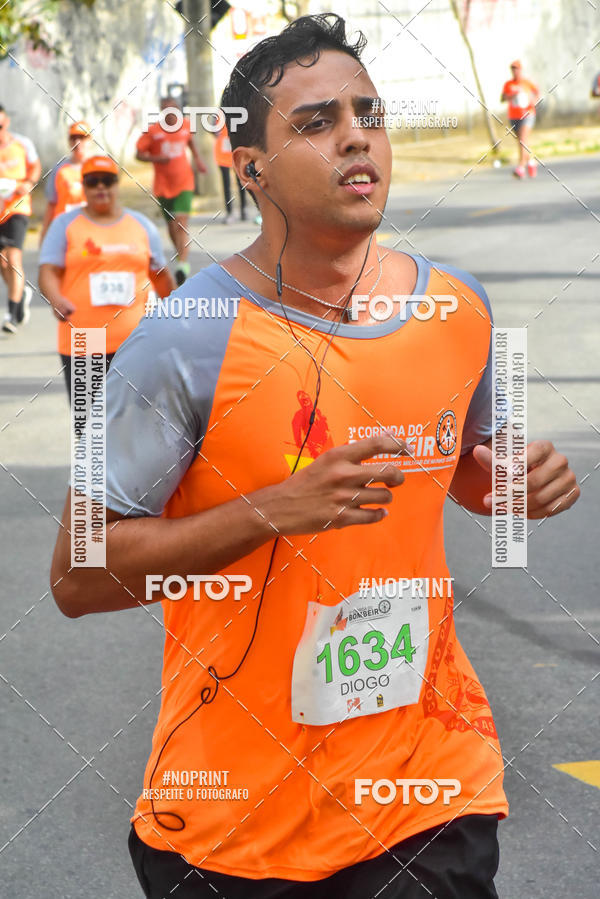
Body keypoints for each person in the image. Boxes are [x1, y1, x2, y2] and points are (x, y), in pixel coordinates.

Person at [50, 15, 580, 899]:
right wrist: (274, 510)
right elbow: (77, 575)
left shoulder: (467, 308)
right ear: (248, 166)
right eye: (315, 121)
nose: (356, 135)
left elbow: (474, 470)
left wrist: (516, 485)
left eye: (368, 112)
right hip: (235, 825)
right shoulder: (181, 337)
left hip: (431, 786)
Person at [39, 155, 173, 398]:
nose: (100, 187)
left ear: (116, 184)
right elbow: (47, 271)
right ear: (84, 186)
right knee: (91, 429)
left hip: (136, 341)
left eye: (107, 180)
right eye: (93, 181)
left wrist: (175, 317)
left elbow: (161, 277)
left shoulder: (142, 226)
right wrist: (56, 298)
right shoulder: (64, 225)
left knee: (137, 424)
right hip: (84, 341)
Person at [136, 97, 207, 286]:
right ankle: (180, 255)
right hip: (163, 184)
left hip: (184, 181)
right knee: (171, 226)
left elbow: (191, 142)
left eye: (173, 110)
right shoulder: (153, 131)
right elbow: (139, 154)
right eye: (165, 110)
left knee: (180, 222)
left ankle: (182, 265)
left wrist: (198, 160)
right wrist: (158, 158)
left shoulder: (185, 125)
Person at [0, 105, 41, 333]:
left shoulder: (22, 144)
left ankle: (11, 314)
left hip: (17, 208)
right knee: (3, 263)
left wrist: (28, 183)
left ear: (6, 122)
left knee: (13, 257)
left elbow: (35, 167)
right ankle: (22, 292)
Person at [39, 120, 93, 244]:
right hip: (64, 229)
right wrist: (44, 234)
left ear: (90, 140)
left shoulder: (97, 168)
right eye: (73, 138)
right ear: (69, 142)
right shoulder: (59, 169)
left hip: (90, 227)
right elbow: (52, 204)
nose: (77, 143)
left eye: (82, 138)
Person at [501, 60, 540, 178]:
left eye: (517, 68)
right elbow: (502, 98)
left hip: (528, 114)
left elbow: (537, 92)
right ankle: (531, 161)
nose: (515, 71)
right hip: (514, 116)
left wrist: (534, 101)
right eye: (513, 69)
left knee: (523, 139)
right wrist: (511, 95)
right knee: (521, 142)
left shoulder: (527, 82)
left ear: (520, 70)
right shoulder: (508, 84)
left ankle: (521, 167)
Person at [214, 124, 247, 223]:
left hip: (236, 155)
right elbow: (213, 131)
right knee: (226, 185)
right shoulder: (217, 116)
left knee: (241, 183)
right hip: (222, 156)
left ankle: (243, 209)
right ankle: (229, 212)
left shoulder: (237, 112)